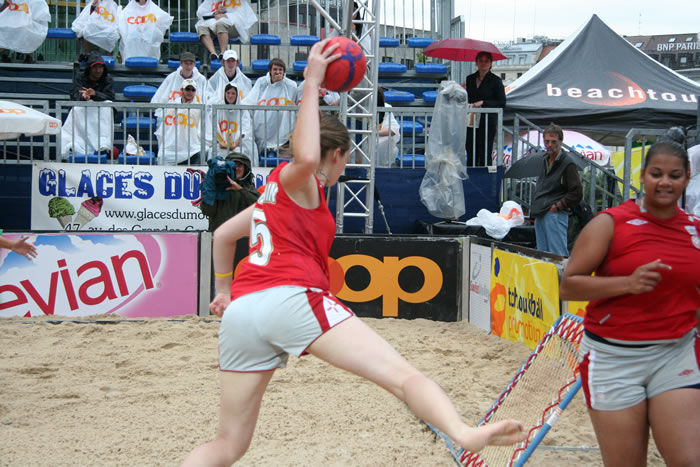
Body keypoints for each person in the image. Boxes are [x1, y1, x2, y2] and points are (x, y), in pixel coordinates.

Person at [180, 38, 526, 466]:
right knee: (403, 378)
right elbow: (307, 158)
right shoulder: (301, 179)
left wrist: (223, 290)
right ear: (338, 153)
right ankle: (463, 432)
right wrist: (311, 82)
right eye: (345, 159)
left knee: (228, 445)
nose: (344, 167)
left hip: (242, 312)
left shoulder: (272, 192)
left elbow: (222, 236)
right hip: (290, 298)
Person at [560, 140, 700, 467]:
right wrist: (628, 284)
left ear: (687, 178)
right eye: (656, 173)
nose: (665, 182)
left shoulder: (694, 229)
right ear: (643, 175)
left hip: (675, 352)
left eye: (674, 175)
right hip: (613, 358)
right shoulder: (610, 223)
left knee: (688, 460)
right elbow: (568, 286)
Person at [530, 123, 582, 256]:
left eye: (553, 141)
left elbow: (577, 192)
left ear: (560, 142)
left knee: (557, 256)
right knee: (542, 256)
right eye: (546, 141)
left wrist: (558, 206)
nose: (549, 145)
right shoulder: (545, 159)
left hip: (555, 213)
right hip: (541, 211)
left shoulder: (567, 163)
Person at [242, 58, 297, 165]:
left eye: (280, 70)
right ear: (270, 71)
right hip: (263, 127)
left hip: (282, 127)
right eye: (275, 69)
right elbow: (250, 100)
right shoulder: (261, 82)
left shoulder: (291, 85)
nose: (277, 72)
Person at [61, 51, 115, 159]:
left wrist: (95, 94)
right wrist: (83, 96)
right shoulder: (80, 77)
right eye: (95, 67)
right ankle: (75, 144)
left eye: (101, 67)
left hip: (100, 111)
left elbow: (110, 97)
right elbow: (74, 94)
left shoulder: (108, 78)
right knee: (76, 109)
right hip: (83, 110)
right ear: (89, 68)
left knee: (108, 106)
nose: (98, 70)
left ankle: (103, 144)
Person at [462, 51, 505, 167]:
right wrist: (462, 90)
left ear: (491, 63)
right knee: (471, 149)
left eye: (486, 61)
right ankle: (472, 173)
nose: (483, 63)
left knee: (485, 151)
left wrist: (483, 102)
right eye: (481, 61)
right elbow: (468, 98)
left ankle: (485, 175)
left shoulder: (496, 80)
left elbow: (502, 102)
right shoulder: (470, 78)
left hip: (487, 122)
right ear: (476, 62)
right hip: (471, 120)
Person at [154, 79, 203, 165]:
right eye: (187, 89)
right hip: (171, 148)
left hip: (193, 148)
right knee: (163, 156)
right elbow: (165, 127)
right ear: (182, 90)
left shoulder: (199, 107)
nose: (190, 92)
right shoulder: (172, 105)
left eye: (193, 90)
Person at [206, 83, 256, 158]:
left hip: (239, 145)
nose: (230, 96)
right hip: (221, 145)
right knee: (212, 152)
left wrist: (236, 143)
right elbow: (213, 127)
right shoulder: (218, 109)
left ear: (237, 95)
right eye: (228, 93)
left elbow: (245, 130)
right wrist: (221, 142)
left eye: (233, 93)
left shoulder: (243, 110)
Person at [375, 87, 399, 168]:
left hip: (379, 140)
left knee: (386, 140)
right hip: (364, 142)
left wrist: (374, 133)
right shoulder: (360, 109)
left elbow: (393, 130)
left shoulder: (387, 107)